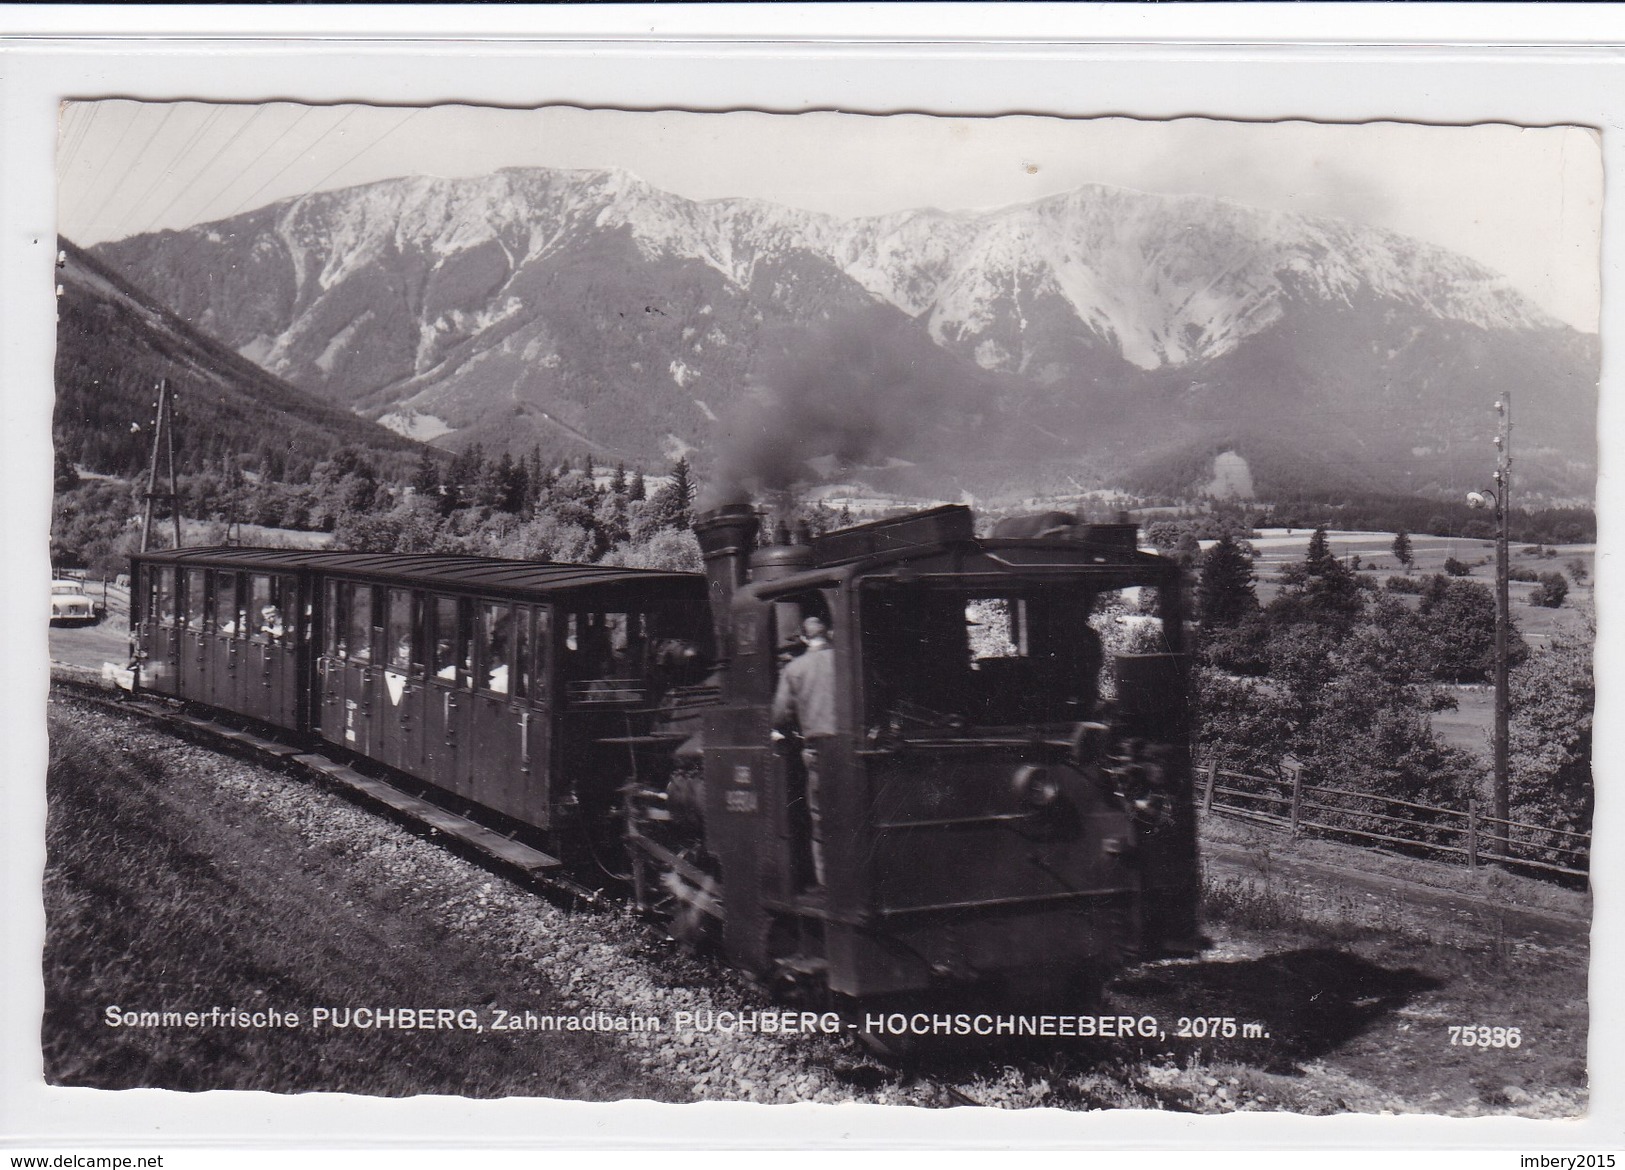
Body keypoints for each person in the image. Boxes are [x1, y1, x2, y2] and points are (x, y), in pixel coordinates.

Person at [771, 614, 837, 888]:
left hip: (818, 751)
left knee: (822, 817)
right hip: (853, 748)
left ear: (803, 639)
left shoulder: (795, 668)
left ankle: (828, 883)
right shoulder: (848, 660)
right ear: (830, 634)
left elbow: (780, 716)